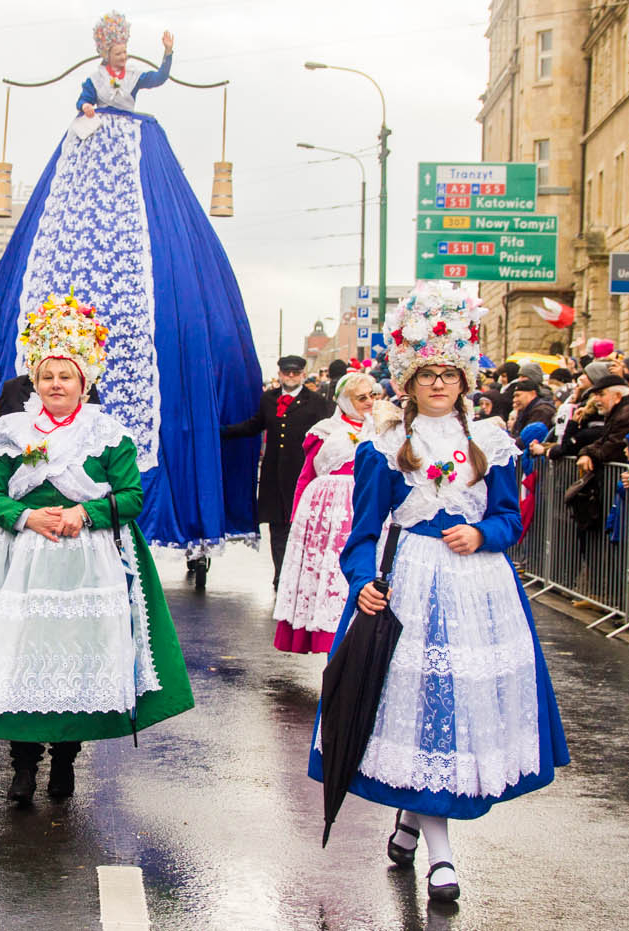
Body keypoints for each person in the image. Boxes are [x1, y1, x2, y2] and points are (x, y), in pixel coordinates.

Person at [0, 12, 260, 575]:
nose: (119, 57)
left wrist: (168, 54)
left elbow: (158, 78)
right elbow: (82, 101)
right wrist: (89, 111)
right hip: (90, 143)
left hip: (133, 144)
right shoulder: (95, 81)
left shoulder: (137, 85)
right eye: (112, 47)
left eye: (123, 48)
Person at [307, 282, 568, 904]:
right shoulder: (383, 444)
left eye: (450, 374)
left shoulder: (493, 442)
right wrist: (364, 582)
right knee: (415, 702)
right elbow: (363, 529)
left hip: (478, 588)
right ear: (410, 381)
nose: (440, 385)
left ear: (464, 379)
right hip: (411, 584)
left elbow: (511, 520)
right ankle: (441, 857)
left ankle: (412, 821)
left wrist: (481, 534)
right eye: (428, 375)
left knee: (453, 706)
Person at [0, 293, 193, 803]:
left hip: (84, 561)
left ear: (84, 383)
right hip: (22, 561)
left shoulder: (107, 434)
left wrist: (85, 513)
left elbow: (131, 496)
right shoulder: (10, 433)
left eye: (67, 376)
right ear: (34, 382)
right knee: (19, 654)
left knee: (77, 658)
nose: (56, 385)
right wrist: (25, 516)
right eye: (47, 376)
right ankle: (22, 764)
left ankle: (65, 760)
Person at [272, 372, 379, 654]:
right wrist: (298, 518)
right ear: (345, 400)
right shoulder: (325, 431)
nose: (369, 402)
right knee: (329, 572)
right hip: (327, 513)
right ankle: (331, 641)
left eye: (372, 395)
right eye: (361, 397)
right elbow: (307, 475)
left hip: (367, 505)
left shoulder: (383, 428)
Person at [222, 355, 335, 588]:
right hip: (274, 475)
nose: (291, 376)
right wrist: (223, 431)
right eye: (286, 372)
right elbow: (255, 425)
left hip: (302, 474)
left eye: (295, 373)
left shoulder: (316, 401)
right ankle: (281, 574)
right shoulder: (269, 399)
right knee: (277, 527)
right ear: (281, 374)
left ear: (303, 374)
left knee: (300, 526)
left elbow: (329, 433)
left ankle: (300, 575)